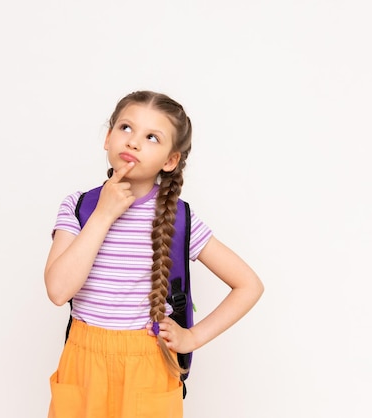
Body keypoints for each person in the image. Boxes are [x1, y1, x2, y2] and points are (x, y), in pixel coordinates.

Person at [44, 90, 264, 417]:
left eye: (151, 137)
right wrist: (104, 214)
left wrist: (193, 337)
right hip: (83, 361)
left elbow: (249, 285)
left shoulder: (178, 219)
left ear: (170, 160)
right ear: (108, 138)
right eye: (126, 128)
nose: (133, 142)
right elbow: (59, 291)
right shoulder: (79, 207)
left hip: (148, 366)